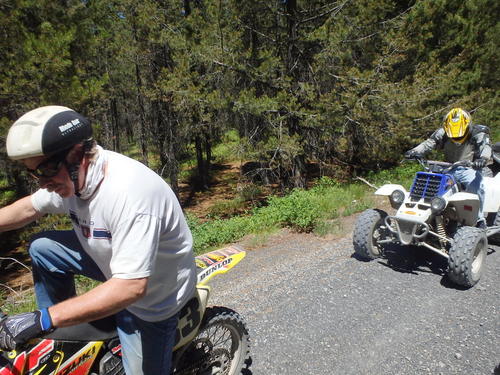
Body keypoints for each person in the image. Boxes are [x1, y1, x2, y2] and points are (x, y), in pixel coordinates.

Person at [0, 106, 197, 374]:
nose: (41, 182)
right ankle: (63, 335)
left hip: (152, 296)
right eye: (33, 173)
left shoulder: (130, 193)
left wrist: (43, 318)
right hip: (111, 259)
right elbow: (29, 208)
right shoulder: (73, 179)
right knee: (42, 248)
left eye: (45, 169)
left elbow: (131, 288)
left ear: (78, 153)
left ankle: (51, 320)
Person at [405, 107, 492, 228]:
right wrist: (414, 151)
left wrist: (483, 159)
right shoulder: (443, 132)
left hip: (469, 167)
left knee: (476, 184)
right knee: (426, 182)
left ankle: (479, 219)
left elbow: (486, 147)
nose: (456, 138)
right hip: (447, 167)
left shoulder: (478, 132)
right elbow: (429, 143)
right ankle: (421, 214)